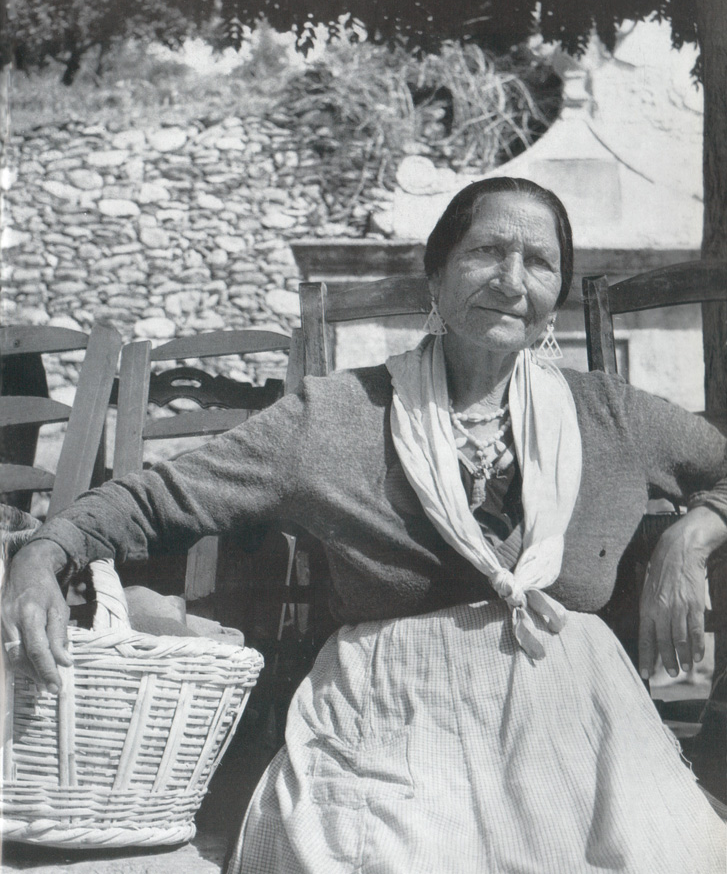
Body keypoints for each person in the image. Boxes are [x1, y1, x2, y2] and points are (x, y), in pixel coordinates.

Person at [3, 177, 726, 873]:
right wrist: (45, 552)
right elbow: (158, 498)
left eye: (538, 263)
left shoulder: (611, 416)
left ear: (553, 299)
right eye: (485, 252)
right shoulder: (337, 417)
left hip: (581, 728)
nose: (512, 279)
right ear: (434, 278)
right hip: (393, 724)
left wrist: (687, 538)